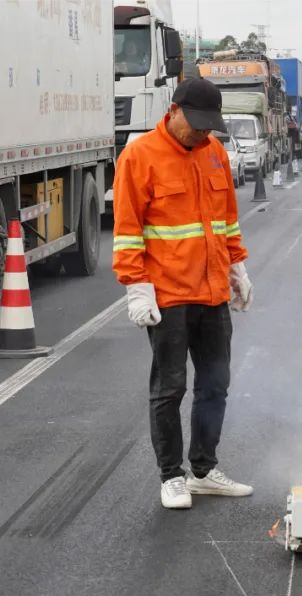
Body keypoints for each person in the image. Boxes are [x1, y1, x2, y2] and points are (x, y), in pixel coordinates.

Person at [112, 78, 255, 510]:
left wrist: (237, 268)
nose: (201, 134)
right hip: (168, 295)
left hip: (212, 293)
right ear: (173, 111)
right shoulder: (139, 156)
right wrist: (137, 288)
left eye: (209, 127)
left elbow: (226, 219)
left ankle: (205, 469)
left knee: (216, 384)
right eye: (195, 125)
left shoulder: (212, 153)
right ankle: (171, 476)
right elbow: (127, 231)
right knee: (170, 388)